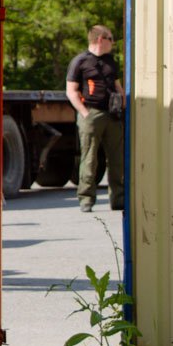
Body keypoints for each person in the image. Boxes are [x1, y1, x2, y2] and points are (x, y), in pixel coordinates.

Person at [65, 24, 126, 212]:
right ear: (100, 39)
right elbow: (71, 91)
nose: (113, 43)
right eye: (110, 38)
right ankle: (86, 199)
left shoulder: (110, 61)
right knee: (90, 158)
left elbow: (117, 86)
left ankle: (118, 199)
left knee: (117, 159)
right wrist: (84, 113)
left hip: (112, 115)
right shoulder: (80, 61)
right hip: (91, 114)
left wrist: (123, 103)